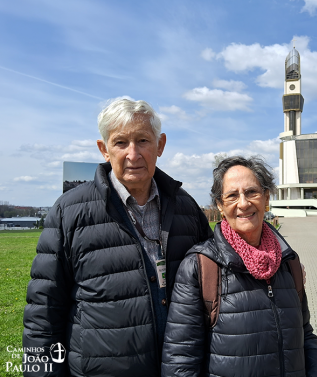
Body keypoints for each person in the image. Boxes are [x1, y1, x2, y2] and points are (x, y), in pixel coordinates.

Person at [22, 98, 212, 377]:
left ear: (160, 145)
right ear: (104, 149)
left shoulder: (185, 206)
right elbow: (43, 315)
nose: (133, 154)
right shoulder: (68, 212)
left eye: (143, 141)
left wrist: (277, 254)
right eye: (121, 142)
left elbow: (221, 263)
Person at [162, 156, 317, 377]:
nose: (243, 203)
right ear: (220, 206)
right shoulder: (200, 266)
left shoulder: (288, 262)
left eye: (252, 192)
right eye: (232, 195)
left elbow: (305, 335)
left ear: (266, 198)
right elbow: (181, 359)